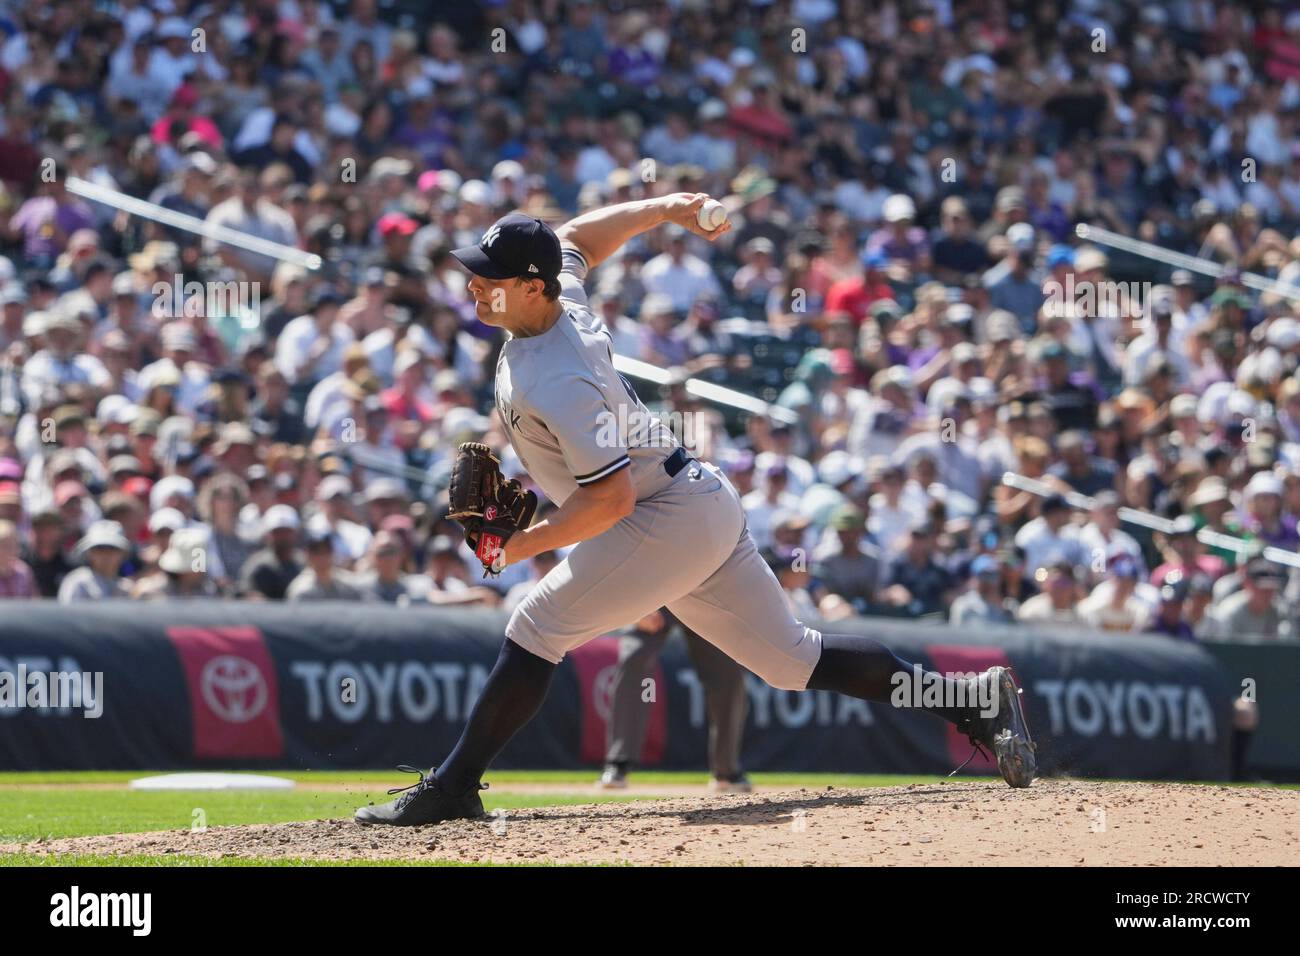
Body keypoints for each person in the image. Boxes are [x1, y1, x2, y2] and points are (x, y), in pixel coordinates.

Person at [354, 198, 1035, 827]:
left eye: (490, 277)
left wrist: (516, 547)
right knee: (792, 660)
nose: (475, 285)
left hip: (658, 514)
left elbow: (610, 499)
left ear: (532, 287)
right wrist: (670, 208)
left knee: (536, 626)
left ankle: (453, 787)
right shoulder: (563, 305)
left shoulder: (558, 377)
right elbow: (577, 240)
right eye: (477, 273)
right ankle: (973, 702)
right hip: (693, 500)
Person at [598, 607, 752, 793]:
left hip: (703, 597)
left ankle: (727, 771)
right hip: (657, 594)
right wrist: (634, 607)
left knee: (730, 674)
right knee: (634, 658)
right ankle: (618, 763)